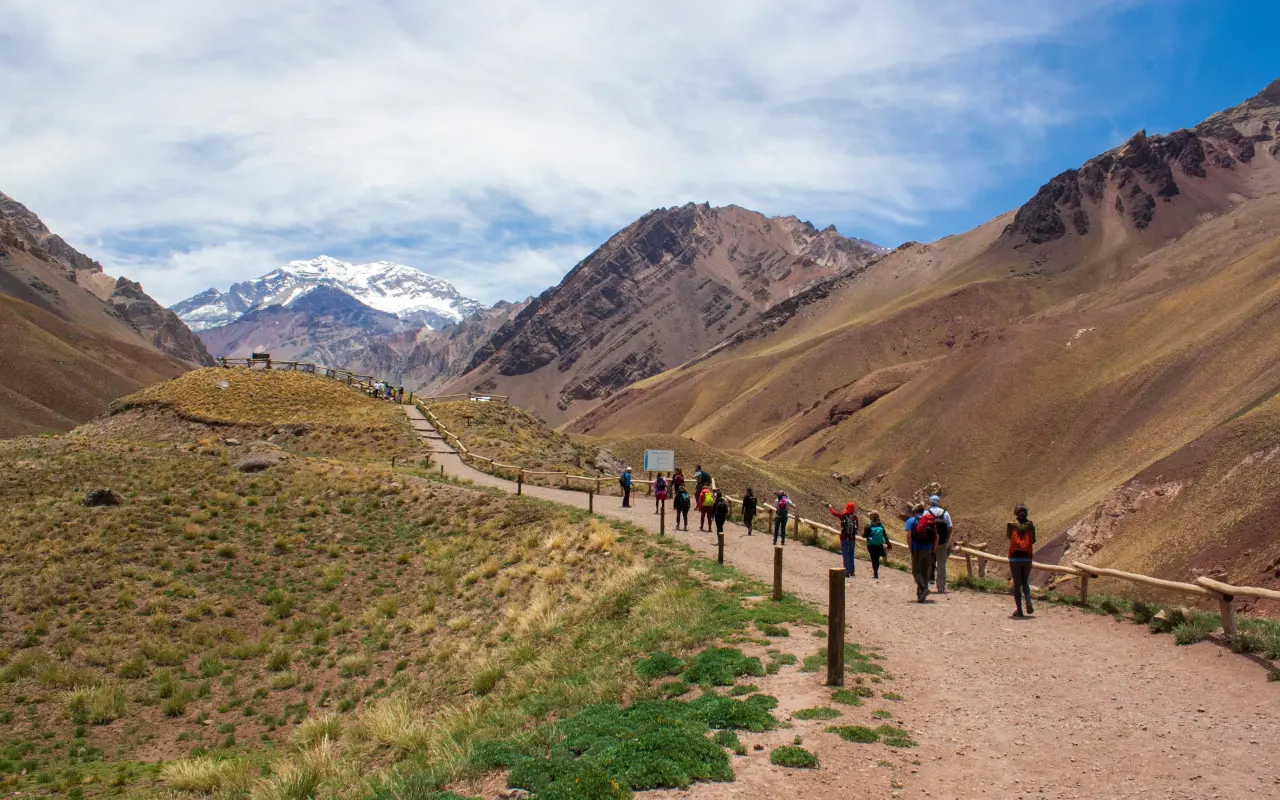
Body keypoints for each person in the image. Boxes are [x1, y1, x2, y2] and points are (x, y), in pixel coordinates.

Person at [1008, 504, 1037, 618]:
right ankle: (1028, 600)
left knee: (1017, 582)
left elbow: (1009, 537)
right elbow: (1033, 540)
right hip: (1027, 557)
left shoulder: (1011, 526)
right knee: (1025, 580)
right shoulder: (1031, 526)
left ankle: (1019, 610)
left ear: (1016, 513)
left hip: (1015, 557)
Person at [923, 495, 954, 593]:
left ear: (930, 502)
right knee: (941, 565)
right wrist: (947, 539)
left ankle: (925, 586)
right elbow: (950, 527)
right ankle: (941, 587)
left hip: (929, 543)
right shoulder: (945, 513)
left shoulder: (926, 512)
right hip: (942, 542)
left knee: (928, 564)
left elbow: (921, 526)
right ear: (938, 502)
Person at [906, 503, 933, 602]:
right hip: (928, 549)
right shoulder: (930, 520)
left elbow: (909, 536)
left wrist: (910, 548)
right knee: (924, 572)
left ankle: (924, 589)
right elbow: (936, 537)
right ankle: (921, 596)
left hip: (917, 549)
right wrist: (932, 550)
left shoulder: (911, 521)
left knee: (916, 571)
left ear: (914, 512)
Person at [828, 501, 859, 578]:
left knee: (845, 555)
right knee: (851, 555)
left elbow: (834, 513)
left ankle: (846, 572)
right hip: (852, 539)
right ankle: (852, 572)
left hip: (844, 538)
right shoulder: (855, 517)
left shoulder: (843, 515)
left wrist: (830, 507)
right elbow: (857, 528)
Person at [864, 511, 891, 579]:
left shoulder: (868, 525)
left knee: (873, 559)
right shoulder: (881, 525)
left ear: (871, 517)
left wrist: (865, 536)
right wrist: (888, 544)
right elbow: (885, 535)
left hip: (871, 545)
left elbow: (865, 535)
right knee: (877, 559)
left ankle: (875, 573)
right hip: (879, 545)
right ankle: (876, 572)